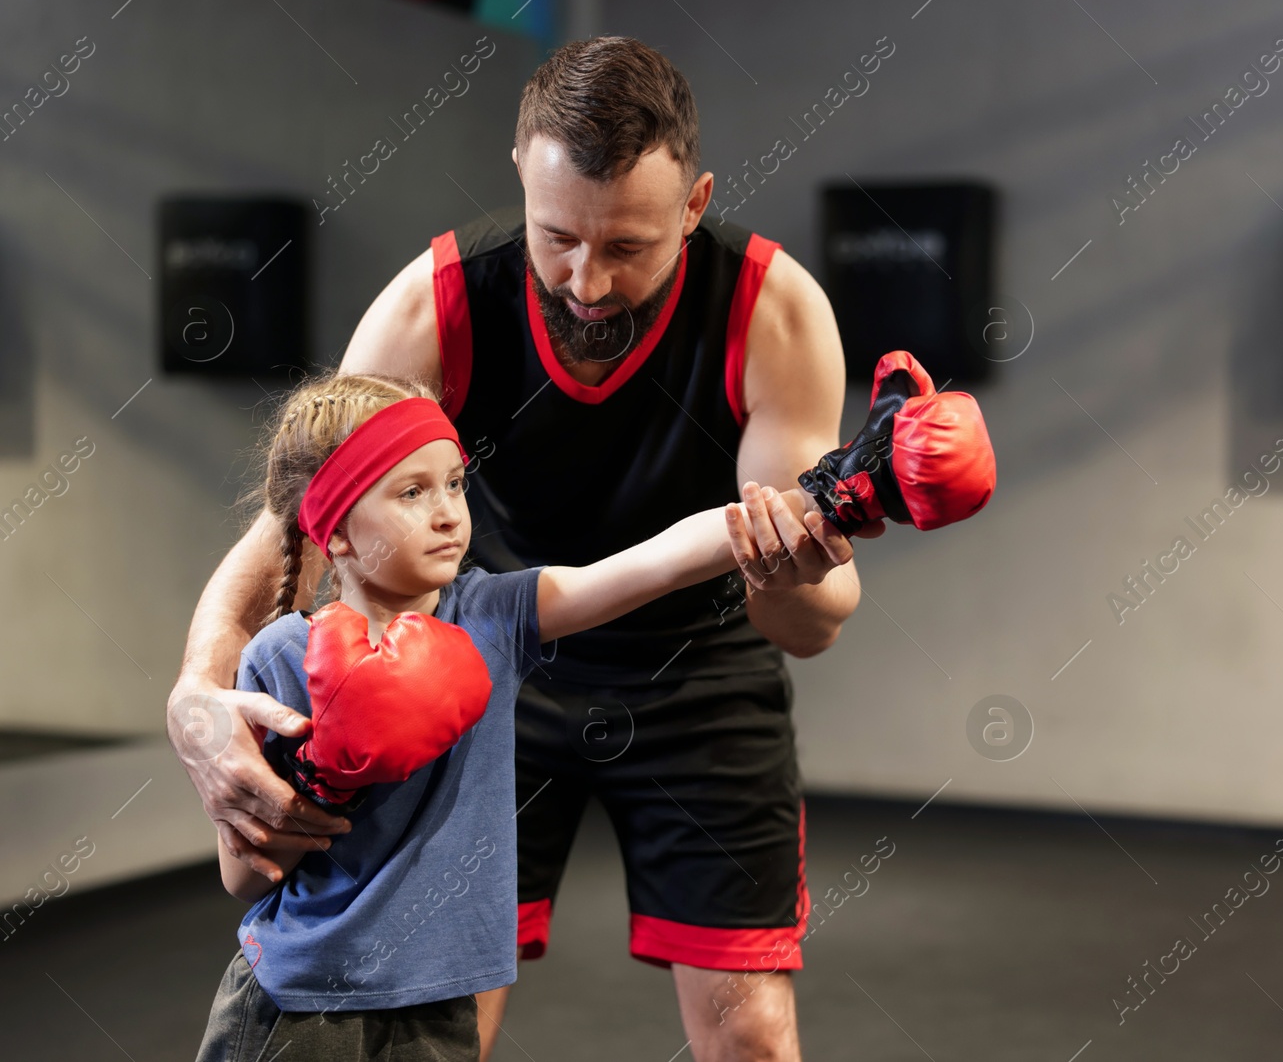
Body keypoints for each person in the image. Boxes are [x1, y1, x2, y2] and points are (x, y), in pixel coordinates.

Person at [170, 35, 865, 1061]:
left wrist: (790, 573)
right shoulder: (433, 306)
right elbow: (297, 529)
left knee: (751, 1035)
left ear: (694, 201)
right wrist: (196, 696)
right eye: (558, 238)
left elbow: (805, 625)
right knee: (447, 1008)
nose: (586, 280)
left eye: (626, 246)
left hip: (701, 672)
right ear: (520, 177)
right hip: (480, 665)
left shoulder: (773, 313)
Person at [195, 371, 847, 1060]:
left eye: (454, 483)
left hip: (441, 1003)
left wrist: (832, 493)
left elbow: (657, 562)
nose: (447, 512)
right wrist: (327, 773)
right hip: (302, 1002)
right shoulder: (282, 653)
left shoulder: (493, 615)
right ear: (340, 530)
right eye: (412, 492)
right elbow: (242, 877)